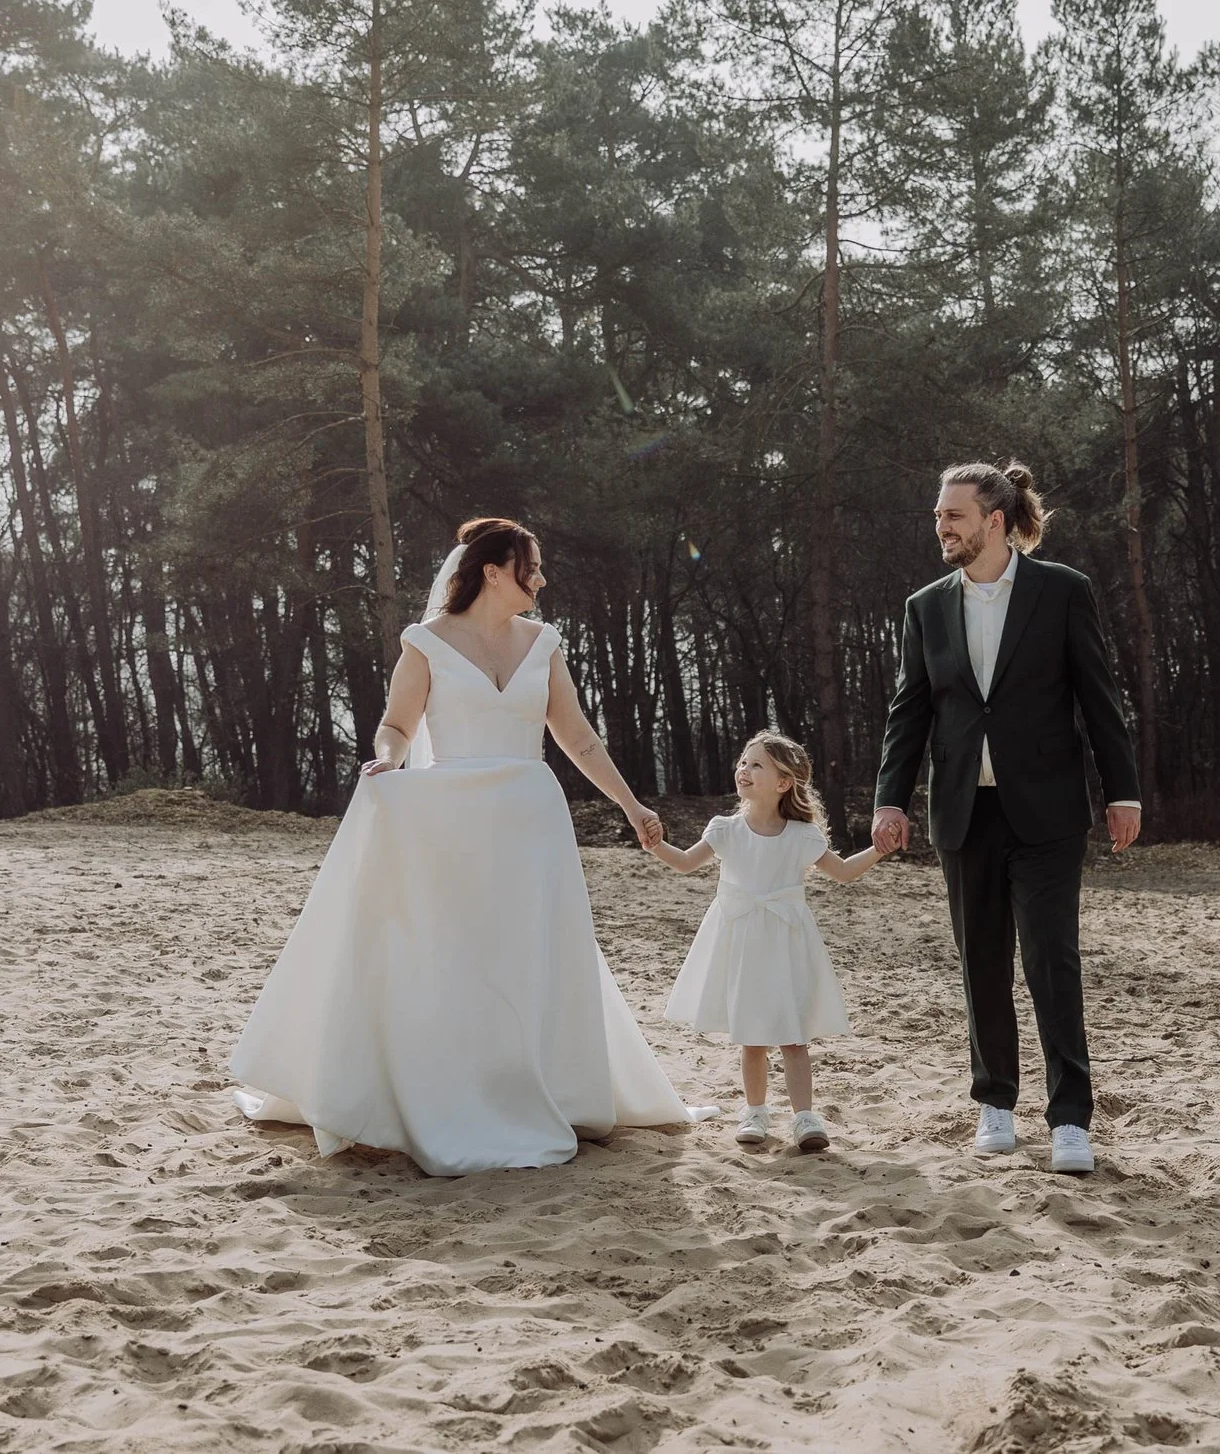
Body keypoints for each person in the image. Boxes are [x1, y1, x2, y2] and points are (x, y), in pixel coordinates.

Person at [228, 517, 701, 1176]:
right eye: (530, 567)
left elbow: (579, 740)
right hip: (453, 819)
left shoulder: (545, 643)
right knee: (459, 955)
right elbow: (397, 724)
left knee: (528, 953)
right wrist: (389, 763)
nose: (540, 578)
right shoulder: (427, 642)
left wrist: (633, 805)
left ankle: (540, 1084)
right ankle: (453, 1089)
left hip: (530, 819)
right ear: (492, 570)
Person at [871, 461, 1140, 1176]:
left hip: (1047, 811)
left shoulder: (1062, 591)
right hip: (964, 812)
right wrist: (890, 799)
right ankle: (995, 1102)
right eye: (937, 516)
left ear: (993, 519)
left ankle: (1070, 1119)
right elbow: (911, 710)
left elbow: (1099, 697)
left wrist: (1125, 791)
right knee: (981, 963)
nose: (941, 527)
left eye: (952, 515)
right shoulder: (925, 606)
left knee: (1052, 963)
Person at [644, 731, 887, 1152]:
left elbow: (844, 872)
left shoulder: (802, 835)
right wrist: (655, 844)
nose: (744, 769)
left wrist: (879, 850)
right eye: (743, 762)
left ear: (783, 782)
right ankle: (755, 1111)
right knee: (752, 1036)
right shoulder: (725, 830)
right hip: (741, 942)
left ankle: (804, 1117)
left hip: (787, 942)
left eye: (756, 764)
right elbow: (684, 863)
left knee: (793, 1035)